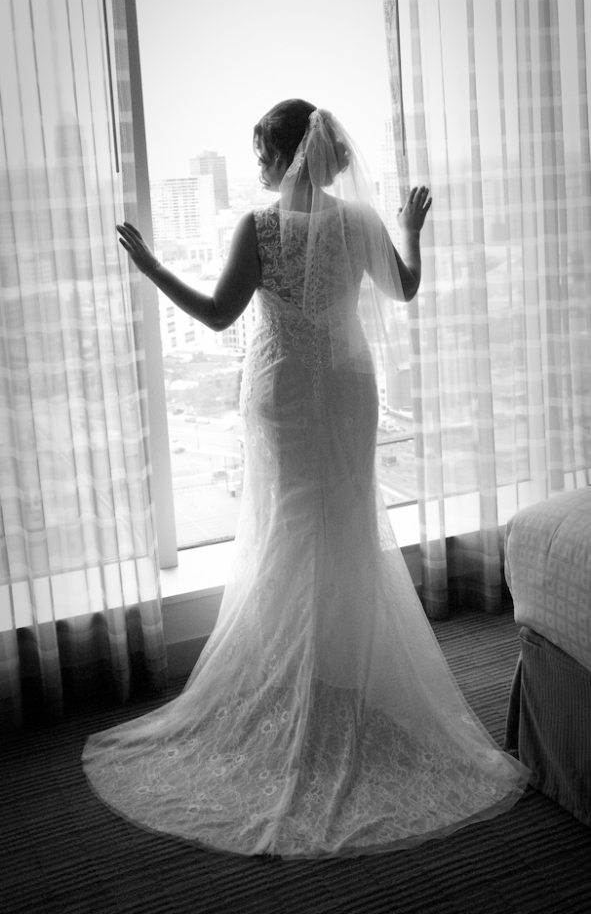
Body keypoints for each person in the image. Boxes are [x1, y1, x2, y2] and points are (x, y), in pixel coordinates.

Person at [83, 100, 529, 858]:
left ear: (282, 155)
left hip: (286, 391)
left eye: (260, 151)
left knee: (288, 532)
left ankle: (303, 678)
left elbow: (218, 315)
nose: (258, 164)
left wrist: (152, 268)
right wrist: (411, 231)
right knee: (345, 527)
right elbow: (405, 290)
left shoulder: (259, 227)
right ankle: (338, 671)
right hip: (349, 391)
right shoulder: (357, 222)